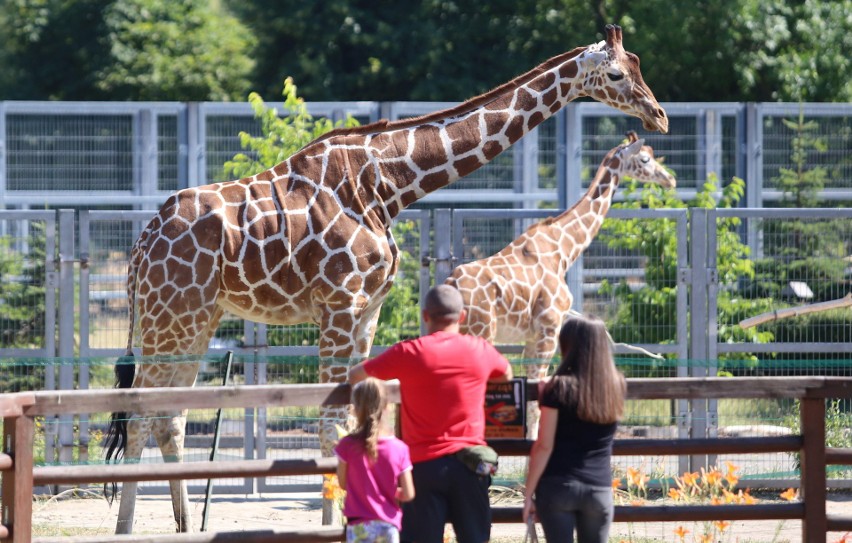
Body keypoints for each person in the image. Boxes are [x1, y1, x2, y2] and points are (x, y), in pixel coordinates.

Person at [349, 284, 513, 543]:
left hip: (421, 468)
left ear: (425, 316)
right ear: (462, 316)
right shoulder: (479, 349)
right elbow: (506, 373)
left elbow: (356, 375)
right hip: (470, 466)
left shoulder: (408, 352)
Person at [522, 315, 626, 543]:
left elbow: (544, 445)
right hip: (598, 488)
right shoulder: (616, 386)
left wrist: (528, 493)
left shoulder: (557, 388)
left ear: (566, 345)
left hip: (557, 487)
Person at [335, 377, 416, 542]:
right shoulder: (400, 448)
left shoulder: (347, 445)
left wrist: (367, 490)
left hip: (358, 524)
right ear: (386, 407)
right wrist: (387, 490)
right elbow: (408, 493)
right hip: (388, 524)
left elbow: (343, 483)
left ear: (355, 409)